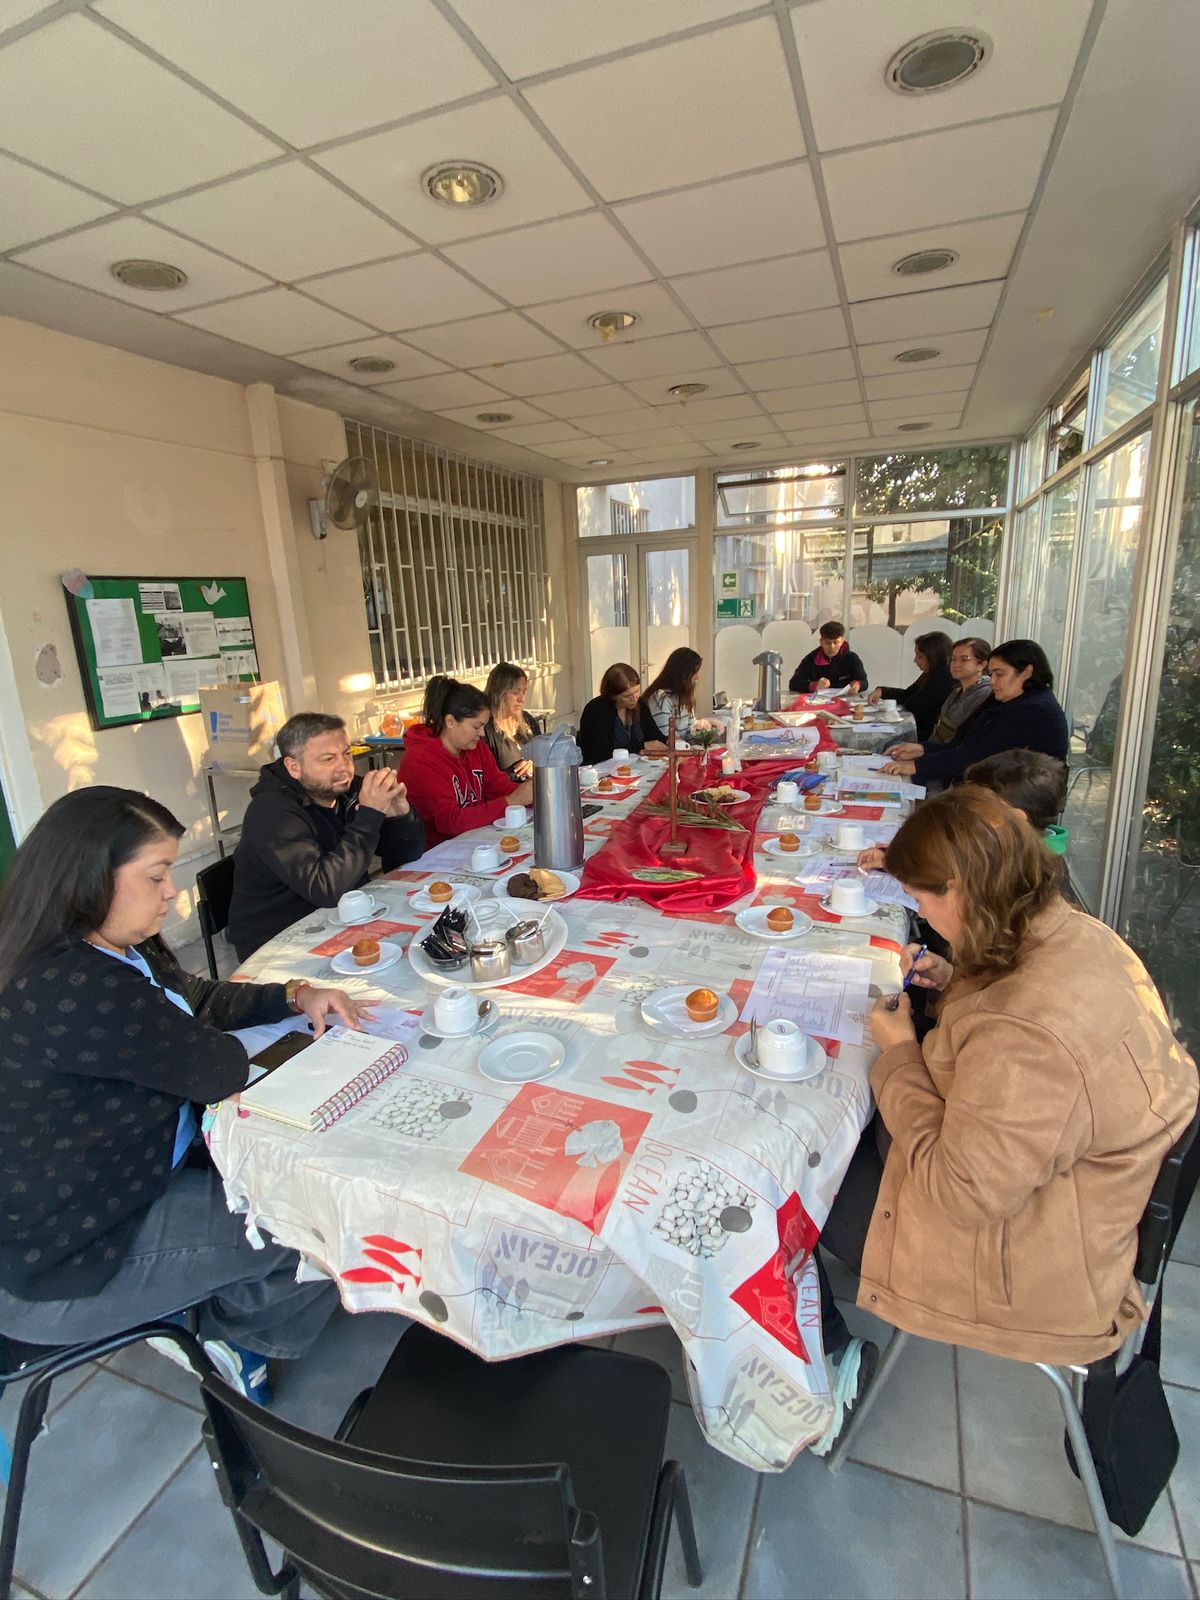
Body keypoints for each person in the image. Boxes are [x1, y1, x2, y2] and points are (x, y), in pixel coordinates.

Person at [818, 787, 1196, 1442]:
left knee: (800, 1188)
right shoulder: (1074, 931)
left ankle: (825, 1359)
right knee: (840, 1131)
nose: (919, 910)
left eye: (922, 896)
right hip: (1064, 1195)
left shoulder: (1031, 1031)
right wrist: (952, 976)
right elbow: (1010, 1030)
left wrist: (903, 1055)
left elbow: (962, 1193)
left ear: (962, 889)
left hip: (1030, 1253)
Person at [0, 788, 361, 1399]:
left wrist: (293, 995)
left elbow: (191, 997)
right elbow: (219, 1068)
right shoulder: (80, 987)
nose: (172, 892)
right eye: (157, 875)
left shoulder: (93, 946)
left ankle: (209, 1289)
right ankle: (238, 1338)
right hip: (67, 1260)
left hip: (110, 1191)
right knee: (325, 1219)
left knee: (292, 1181)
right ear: (91, 879)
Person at [227, 712, 425, 961]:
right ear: (294, 767)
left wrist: (401, 815)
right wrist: (369, 815)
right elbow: (326, 889)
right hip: (280, 944)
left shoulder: (347, 789)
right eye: (328, 759)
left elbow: (408, 854)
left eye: (346, 754)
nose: (343, 767)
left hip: (345, 921)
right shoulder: (272, 812)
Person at [880, 639, 1068, 787]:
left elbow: (981, 755)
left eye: (999, 674)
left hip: (1015, 802)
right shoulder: (1008, 699)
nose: (992, 681)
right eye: (992, 674)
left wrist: (918, 765)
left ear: (1026, 672)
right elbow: (965, 744)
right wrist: (922, 749)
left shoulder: (1034, 710)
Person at [399, 676, 532, 845]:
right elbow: (450, 822)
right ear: (450, 721)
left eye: (484, 726)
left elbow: (499, 787)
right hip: (435, 854)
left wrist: (536, 794)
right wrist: (512, 801)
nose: (482, 734)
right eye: (476, 727)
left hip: (473, 841)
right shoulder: (419, 760)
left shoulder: (475, 748)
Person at [867, 631, 953, 742]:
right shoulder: (930, 673)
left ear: (934, 657)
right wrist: (882, 691)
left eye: (920, 656)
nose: (915, 660)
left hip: (927, 737)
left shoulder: (944, 678)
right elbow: (908, 694)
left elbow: (913, 704)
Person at [577, 664, 669, 765]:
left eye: (637, 691)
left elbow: (654, 735)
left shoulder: (640, 704)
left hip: (637, 768)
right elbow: (600, 754)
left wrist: (670, 741)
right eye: (627, 696)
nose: (634, 698)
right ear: (613, 696)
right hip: (603, 772)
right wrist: (640, 747)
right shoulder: (596, 710)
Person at [926, 636, 992, 746]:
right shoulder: (957, 691)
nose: (956, 664)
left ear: (982, 665)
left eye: (964, 659)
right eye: (953, 659)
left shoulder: (984, 694)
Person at [483, 661, 542, 779]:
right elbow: (487, 779)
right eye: (516, 693)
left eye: (523, 692)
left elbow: (545, 755)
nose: (522, 699)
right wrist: (517, 774)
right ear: (499, 694)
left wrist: (534, 765)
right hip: (510, 794)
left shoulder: (528, 720)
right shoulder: (485, 730)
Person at [788, 621, 868, 695]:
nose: (832, 647)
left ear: (842, 641)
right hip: (818, 703)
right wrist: (813, 686)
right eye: (827, 643)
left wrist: (858, 685)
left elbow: (864, 681)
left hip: (846, 702)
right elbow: (793, 684)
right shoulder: (811, 659)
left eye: (836, 642)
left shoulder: (852, 659)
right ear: (821, 642)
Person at [644, 647, 703, 741]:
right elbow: (667, 738)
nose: (697, 677)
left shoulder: (684, 697)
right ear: (683, 674)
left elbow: (691, 731)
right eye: (694, 673)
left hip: (681, 750)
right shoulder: (661, 698)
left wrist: (704, 731)